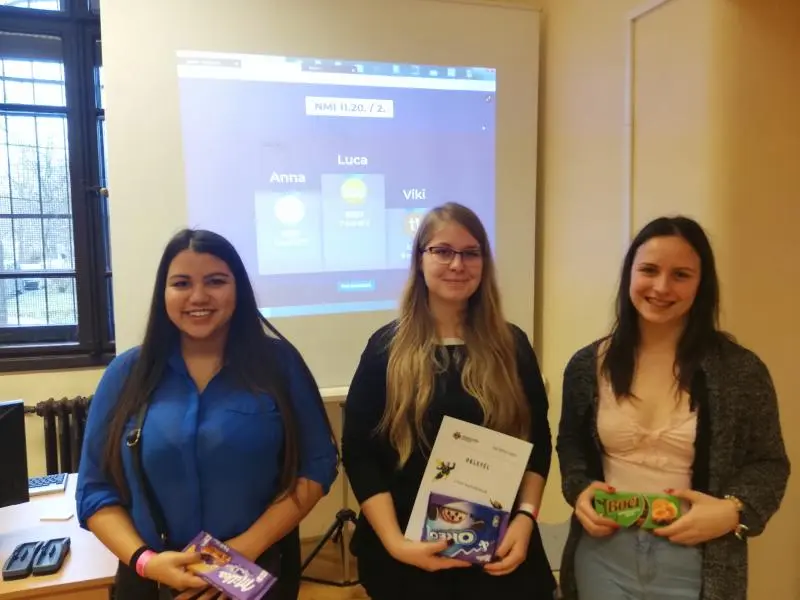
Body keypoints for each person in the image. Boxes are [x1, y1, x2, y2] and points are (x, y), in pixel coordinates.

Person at [76, 229, 339, 600]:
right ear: (163, 293)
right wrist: (148, 562)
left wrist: (242, 552)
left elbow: (317, 465)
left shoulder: (280, 365)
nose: (198, 297)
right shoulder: (126, 374)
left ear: (238, 289)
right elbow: (94, 491)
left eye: (216, 281)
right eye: (181, 283)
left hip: (256, 573)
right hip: (151, 580)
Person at [556, 216, 790, 600]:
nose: (662, 287)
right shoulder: (587, 365)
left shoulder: (740, 370)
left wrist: (734, 511)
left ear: (701, 284)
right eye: (649, 270)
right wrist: (578, 491)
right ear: (629, 274)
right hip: (602, 556)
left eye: (681, 275)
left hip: (698, 559)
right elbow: (571, 445)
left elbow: (769, 463)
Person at [341, 202, 557, 600]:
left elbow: (537, 442)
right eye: (442, 251)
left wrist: (526, 518)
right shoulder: (385, 349)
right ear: (419, 259)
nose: (457, 264)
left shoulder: (512, 346)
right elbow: (359, 453)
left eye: (470, 252)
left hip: (498, 545)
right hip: (408, 552)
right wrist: (396, 544)